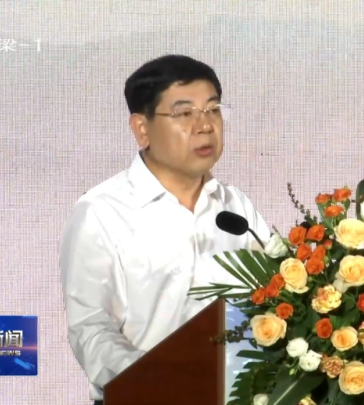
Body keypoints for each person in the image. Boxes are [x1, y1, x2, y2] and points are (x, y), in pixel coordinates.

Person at [59, 54, 270, 404]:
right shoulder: (101, 212)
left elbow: (274, 297)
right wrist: (157, 381)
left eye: (213, 109)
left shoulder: (235, 207)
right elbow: (91, 329)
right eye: (184, 114)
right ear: (142, 129)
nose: (205, 126)